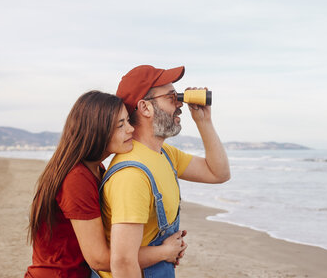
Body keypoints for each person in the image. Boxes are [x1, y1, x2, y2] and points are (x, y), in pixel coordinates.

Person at [25, 90, 187, 278]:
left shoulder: (96, 168)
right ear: (96, 130)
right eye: (120, 125)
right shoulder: (77, 179)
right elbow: (99, 259)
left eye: (128, 121)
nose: (130, 129)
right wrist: (164, 253)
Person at [97, 65, 230, 278]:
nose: (180, 103)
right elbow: (123, 262)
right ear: (145, 108)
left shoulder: (164, 154)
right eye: (171, 96)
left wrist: (204, 121)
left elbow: (218, 173)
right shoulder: (132, 175)